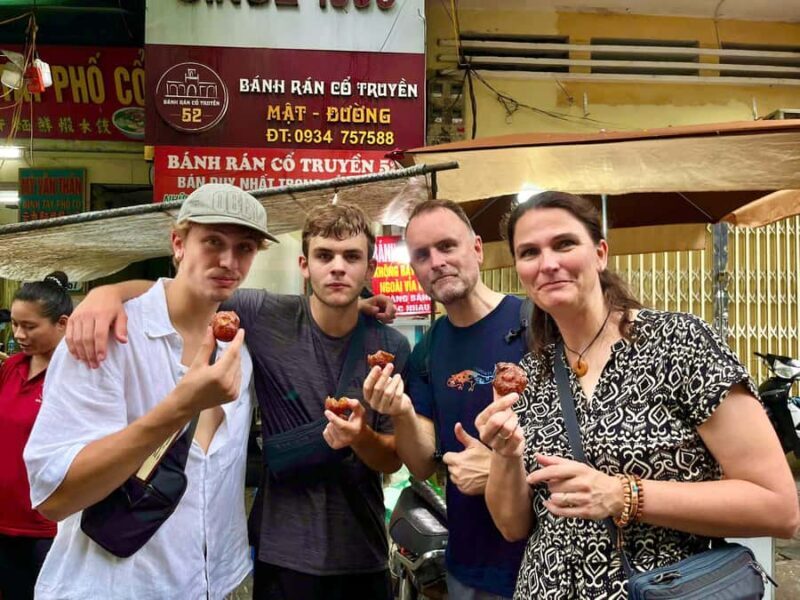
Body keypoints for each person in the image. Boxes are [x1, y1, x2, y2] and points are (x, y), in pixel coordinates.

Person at [63, 203, 408, 600]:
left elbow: (391, 459)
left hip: (363, 549)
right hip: (282, 553)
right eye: (324, 256)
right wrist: (108, 293)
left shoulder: (389, 346)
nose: (337, 268)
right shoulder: (264, 314)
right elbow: (185, 292)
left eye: (351, 257)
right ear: (304, 265)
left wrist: (360, 437)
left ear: (370, 268)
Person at [475, 191, 800, 599]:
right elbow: (512, 526)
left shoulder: (679, 343)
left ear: (600, 254)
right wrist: (505, 454)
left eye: (564, 244)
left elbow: (778, 507)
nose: (548, 263)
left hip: (664, 588)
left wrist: (622, 494)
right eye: (529, 252)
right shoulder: (530, 375)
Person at [23, 183, 273, 599]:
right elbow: (54, 497)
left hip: (210, 584)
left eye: (244, 248)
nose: (229, 261)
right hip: (112, 588)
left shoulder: (237, 351)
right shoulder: (106, 338)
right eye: (213, 241)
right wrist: (179, 407)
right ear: (178, 243)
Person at [363, 199, 526, 599]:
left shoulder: (535, 324)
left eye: (447, 246)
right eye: (422, 255)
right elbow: (421, 465)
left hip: (543, 563)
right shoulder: (428, 350)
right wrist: (401, 411)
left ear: (477, 248)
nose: (436, 262)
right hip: (466, 568)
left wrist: (501, 470)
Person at [0, 272, 72, 600]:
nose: (18, 334)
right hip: (5, 518)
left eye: (29, 326)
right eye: (15, 324)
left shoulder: (78, 374)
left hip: (50, 525)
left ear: (62, 324)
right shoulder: (12, 367)